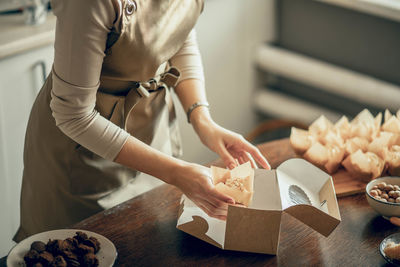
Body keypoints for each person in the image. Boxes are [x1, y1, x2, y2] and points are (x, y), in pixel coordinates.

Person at [14, 0, 270, 242]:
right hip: (82, 157)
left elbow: (180, 37)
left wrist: (203, 121)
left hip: (151, 143)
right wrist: (177, 172)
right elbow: (74, 116)